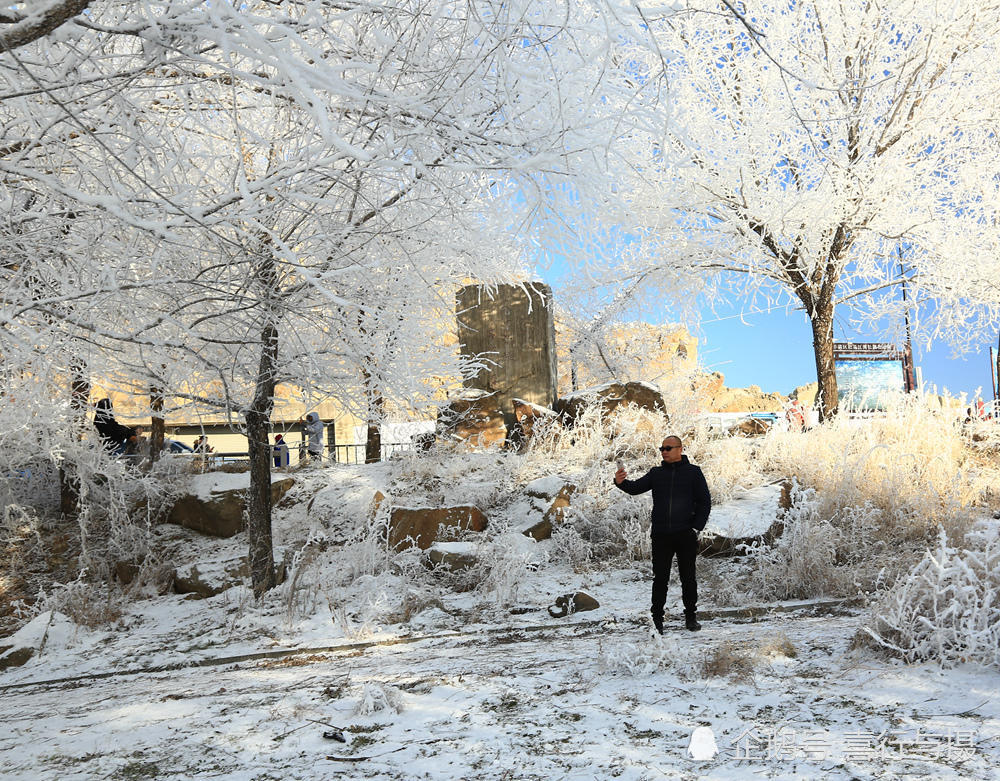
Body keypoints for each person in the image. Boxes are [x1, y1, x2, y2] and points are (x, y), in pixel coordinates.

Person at [614, 435, 711, 633]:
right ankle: (657, 620)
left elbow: (705, 502)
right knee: (660, 579)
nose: (664, 451)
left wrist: (695, 528)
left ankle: (691, 617)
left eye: (668, 448)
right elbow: (635, 488)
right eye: (662, 448)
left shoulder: (693, 473)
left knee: (688, 578)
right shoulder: (656, 473)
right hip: (661, 535)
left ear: (680, 449)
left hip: (685, 534)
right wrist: (620, 482)